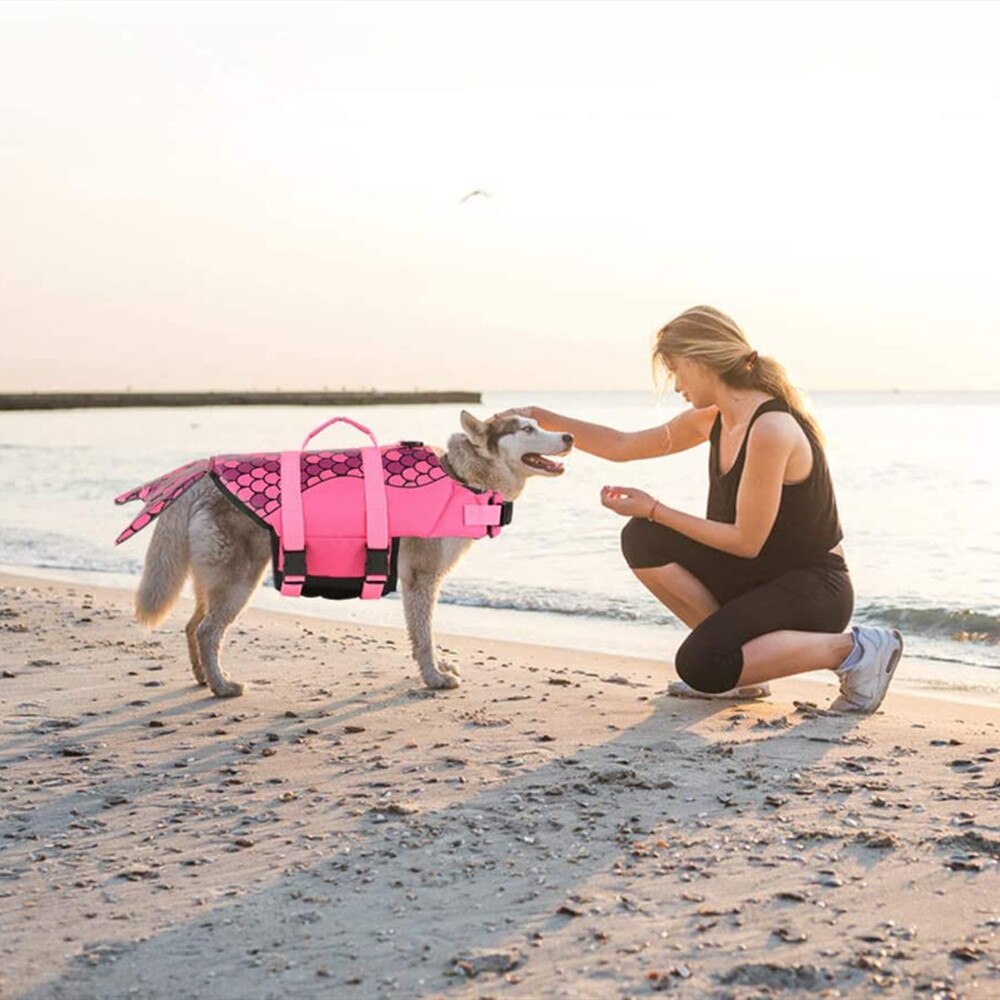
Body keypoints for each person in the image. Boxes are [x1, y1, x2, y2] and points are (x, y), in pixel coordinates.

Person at [495, 305, 902, 712]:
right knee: (642, 537)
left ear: (699, 360)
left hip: (814, 590)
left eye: (675, 371)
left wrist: (655, 507)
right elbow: (622, 446)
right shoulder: (712, 419)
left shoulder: (771, 429)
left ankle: (858, 649)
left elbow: (745, 541)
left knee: (700, 664)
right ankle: (739, 671)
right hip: (758, 579)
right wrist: (537, 416)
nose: (676, 386)